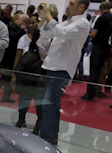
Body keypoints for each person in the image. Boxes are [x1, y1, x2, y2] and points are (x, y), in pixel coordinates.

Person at [38, 0, 90, 145]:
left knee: (48, 105)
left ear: (81, 7)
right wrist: (43, 17)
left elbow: (59, 32)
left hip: (61, 69)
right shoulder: (68, 22)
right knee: (52, 104)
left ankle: (46, 139)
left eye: (71, 3)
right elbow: (45, 32)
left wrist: (49, 14)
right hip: (53, 66)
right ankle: (51, 136)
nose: (67, 6)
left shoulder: (82, 23)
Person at [11, 16, 50, 134]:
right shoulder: (23, 39)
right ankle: (21, 119)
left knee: (39, 102)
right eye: (30, 23)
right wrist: (14, 74)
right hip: (26, 75)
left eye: (34, 23)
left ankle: (38, 124)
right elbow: (18, 58)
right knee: (23, 99)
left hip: (40, 76)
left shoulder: (47, 39)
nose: (32, 25)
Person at [81, 1, 112, 101]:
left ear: (101, 7)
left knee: (94, 70)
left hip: (98, 47)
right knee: (99, 71)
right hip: (107, 48)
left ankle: (90, 94)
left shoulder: (101, 19)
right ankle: (96, 90)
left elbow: (93, 34)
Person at [0, 12, 26, 103]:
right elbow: (13, 38)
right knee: (5, 78)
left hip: (13, 57)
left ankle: (5, 96)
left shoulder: (16, 28)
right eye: (23, 22)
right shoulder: (10, 27)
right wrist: (22, 30)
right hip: (8, 57)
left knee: (7, 78)